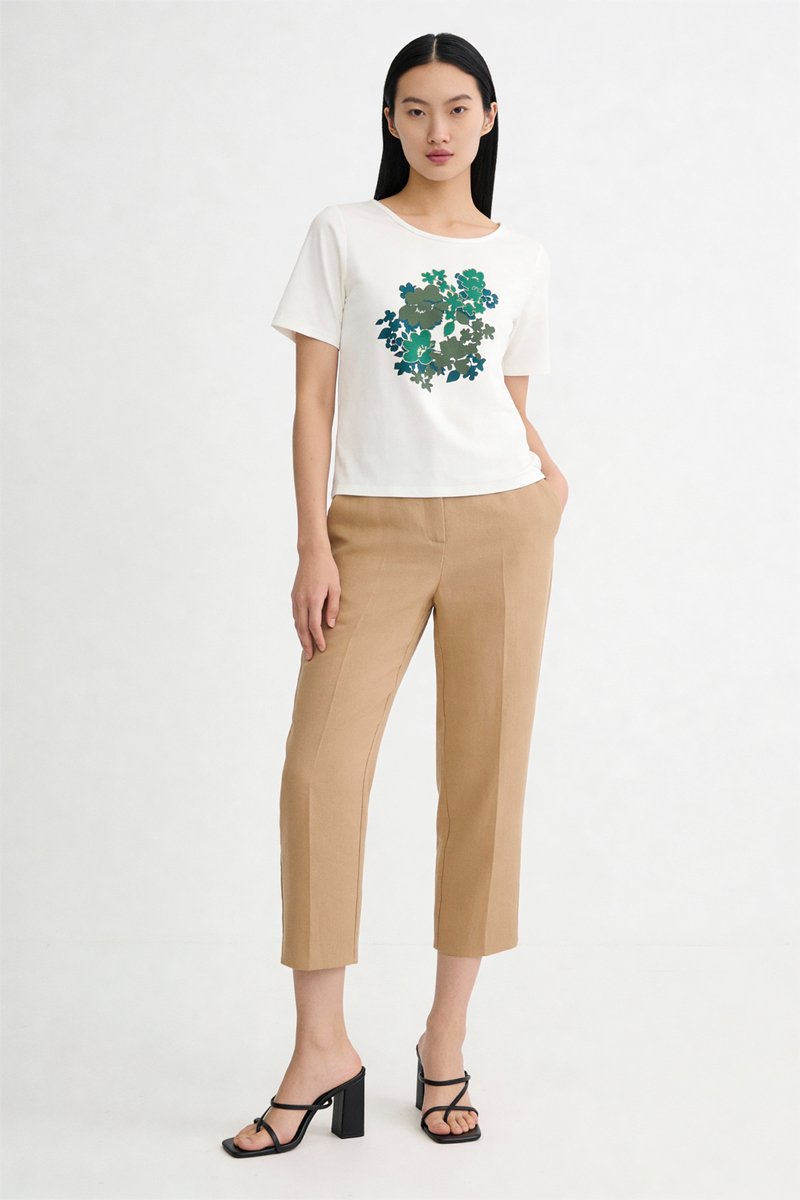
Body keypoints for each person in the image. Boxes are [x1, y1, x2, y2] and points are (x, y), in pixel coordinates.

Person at [222, 30, 568, 1158]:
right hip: (368, 532)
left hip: (501, 525)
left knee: (484, 780)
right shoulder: (344, 234)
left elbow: (506, 399)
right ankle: (320, 1048)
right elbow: (313, 404)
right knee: (318, 774)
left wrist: (548, 481)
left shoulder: (522, 257)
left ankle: (444, 1040)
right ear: (389, 121)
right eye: (414, 109)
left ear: (489, 117)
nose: (436, 129)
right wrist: (312, 546)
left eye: (457, 107)